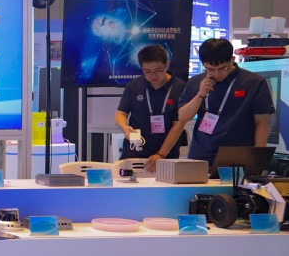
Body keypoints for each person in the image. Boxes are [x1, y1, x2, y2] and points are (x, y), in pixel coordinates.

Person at [177, 38, 274, 166]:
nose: (216, 74)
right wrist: (200, 94)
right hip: (200, 155)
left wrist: (258, 160)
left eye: (222, 68)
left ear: (232, 60)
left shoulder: (253, 82)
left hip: (237, 156)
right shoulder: (196, 82)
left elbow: (262, 122)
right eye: (210, 69)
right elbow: (183, 117)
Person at [114, 45, 188, 171]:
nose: (153, 76)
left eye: (158, 70)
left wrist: (161, 154)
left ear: (167, 65)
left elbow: (179, 124)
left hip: (166, 152)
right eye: (147, 72)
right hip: (135, 150)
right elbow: (121, 113)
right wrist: (124, 127)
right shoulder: (134, 86)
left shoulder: (180, 88)